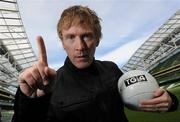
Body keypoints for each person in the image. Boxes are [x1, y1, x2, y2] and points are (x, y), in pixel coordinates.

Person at [12, 5, 178, 122]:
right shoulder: (49, 87)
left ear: (97, 39)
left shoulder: (111, 69)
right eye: (71, 37)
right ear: (62, 43)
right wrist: (29, 101)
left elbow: (138, 94)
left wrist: (169, 100)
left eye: (87, 36)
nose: (80, 47)